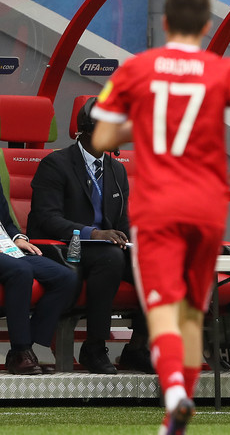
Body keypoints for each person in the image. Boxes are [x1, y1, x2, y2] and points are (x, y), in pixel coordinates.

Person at [90, 0, 230, 434]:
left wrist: (147, 124)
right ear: (208, 24)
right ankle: (176, 417)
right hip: (208, 208)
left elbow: (102, 138)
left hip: (158, 209)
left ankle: (174, 393)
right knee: (192, 310)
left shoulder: (139, 68)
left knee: (163, 309)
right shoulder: (222, 69)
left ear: (166, 22)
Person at [27, 98, 152, 375]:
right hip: (63, 245)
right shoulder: (55, 164)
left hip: (104, 246)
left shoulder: (116, 169)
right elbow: (47, 219)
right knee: (110, 257)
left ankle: (137, 348)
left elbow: (122, 222)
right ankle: (94, 347)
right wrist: (92, 233)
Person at [0, 183, 78, 374]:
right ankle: (21, 350)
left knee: (65, 277)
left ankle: (23, 351)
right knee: (21, 271)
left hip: (6, 247)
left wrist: (18, 238)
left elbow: (6, 222)